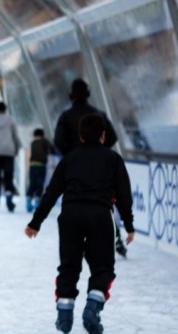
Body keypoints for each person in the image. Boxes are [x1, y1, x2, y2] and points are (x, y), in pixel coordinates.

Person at [24, 114, 135, 334]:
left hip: (70, 216)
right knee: (103, 267)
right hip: (100, 217)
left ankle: (64, 317)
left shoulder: (70, 159)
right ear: (104, 136)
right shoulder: (113, 159)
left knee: (69, 266)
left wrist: (36, 222)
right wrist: (129, 225)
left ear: (81, 136)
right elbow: (124, 195)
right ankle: (92, 308)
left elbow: (51, 192)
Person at [53, 78, 127, 257]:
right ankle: (115, 238)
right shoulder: (99, 114)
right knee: (102, 203)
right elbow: (112, 137)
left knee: (75, 204)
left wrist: (70, 155)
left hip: (74, 168)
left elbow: (58, 141)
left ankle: (77, 242)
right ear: (88, 93)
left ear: (71, 95)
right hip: (98, 167)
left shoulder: (65, 116)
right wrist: (100, 151)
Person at [26, 128, 55, 212]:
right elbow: (52, 149)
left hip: (32, 165)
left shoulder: (33, 143)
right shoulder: (44, 141)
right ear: (42, 135)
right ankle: (37, 201)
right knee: (39, 183)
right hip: (41, 165)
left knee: (32, 183)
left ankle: (28, 200)